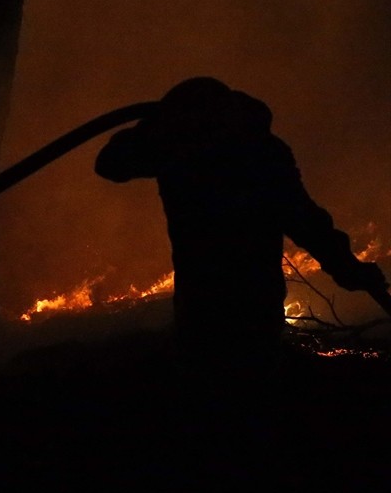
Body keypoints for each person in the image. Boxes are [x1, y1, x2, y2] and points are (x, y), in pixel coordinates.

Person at [95, 76, 386, 370]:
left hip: (220, 307)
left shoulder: (186, 153)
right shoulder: (203, 150)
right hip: (229, 306)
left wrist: (150, 130)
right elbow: (307, 222)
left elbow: (306, 221)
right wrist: (349, 270)